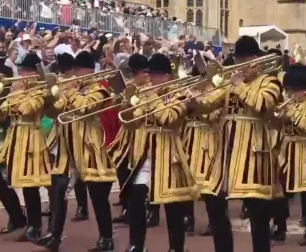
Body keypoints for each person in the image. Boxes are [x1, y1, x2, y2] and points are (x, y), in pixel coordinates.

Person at [191, 36, 283, 252]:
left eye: (245, 58)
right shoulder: (228, 81)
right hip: (226, 153)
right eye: (238, 58)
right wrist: (194, 101)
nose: (240, 62)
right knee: (214, 204)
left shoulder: (269, 82)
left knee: (258, 214)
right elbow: (209, 103)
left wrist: (240, 85)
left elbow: (261, 104)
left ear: (256, 58)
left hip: (253, 153)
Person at [36, 51, 117, 251]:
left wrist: (69, 90)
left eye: (79, 70)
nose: (76, 74)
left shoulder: (100, 89)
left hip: (89, 148)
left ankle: (106, 238)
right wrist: (50, 97)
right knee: (58, 192)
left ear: (88, 69)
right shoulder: (72, 87)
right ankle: (54, 235)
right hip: (66, 147)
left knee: (98, 198)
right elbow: (55, 111)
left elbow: (85, 107)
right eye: (75, 70)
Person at [121, 53, 199, 252]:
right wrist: (128, 107)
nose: (150, 79)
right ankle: (137, 244)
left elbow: (168, 117)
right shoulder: (147, 93)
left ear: (166, 76)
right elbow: (133, 123)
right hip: (146, 155)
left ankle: (176, 248)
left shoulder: (179, 94)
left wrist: (153, 98)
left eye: (154, 75)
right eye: (149, 74)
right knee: (136, 200)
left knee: (172, 208)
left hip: (168, 154)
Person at [0, 53, 51, 241]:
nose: (21, 74)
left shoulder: (40, 89)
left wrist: (16, 93)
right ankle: (24, 220)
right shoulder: (16, 90)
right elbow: (0, 114)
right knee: (17, 182)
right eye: (21, 70)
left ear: (34, 72)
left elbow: (28, 109)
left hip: (31, 136)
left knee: (31, 184)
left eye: (26, 71)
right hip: (16, 137)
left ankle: (35, 226)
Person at [271, 63, 306, 246]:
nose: (289, 94)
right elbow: (278, 127)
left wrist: (292, 113)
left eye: (292, 90)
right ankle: (280, 227)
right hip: (285, 152)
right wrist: (278, 117)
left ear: (301, 89)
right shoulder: (288, 105)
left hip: (303, 153)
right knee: (280, 194)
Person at [181, 56, 221, 237]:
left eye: (200, 74)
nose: (197, 78)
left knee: (208, 185)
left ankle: (215, 221)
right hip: (188, 138)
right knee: (187, 183)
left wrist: (197, 103)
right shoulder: (188, 90)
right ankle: (187, 219)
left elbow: (215, 115)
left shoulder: (215, 91)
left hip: (207, 139)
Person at [108, 54, 150, 225]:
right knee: (122, 169)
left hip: (144, 135)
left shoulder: (150, 88)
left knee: (141, 175)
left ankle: (148, 211)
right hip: (127, 135)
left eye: (135, 73)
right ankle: (127, 208)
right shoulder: (132, 86)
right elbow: (121, 112)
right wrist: (121, 100)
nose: (132, 77)